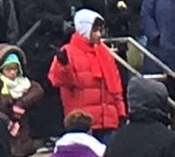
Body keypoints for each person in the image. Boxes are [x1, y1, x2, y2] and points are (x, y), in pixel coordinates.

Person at [51, 8, 126, 136]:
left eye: (100, 30)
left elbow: (116, 86)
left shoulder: (104, 52)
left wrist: (121, 112)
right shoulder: (68, 51)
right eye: (94, 30)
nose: (98, 35)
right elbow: (58, 80)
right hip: (82, 124)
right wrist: (63, 65)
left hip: (108, 121)